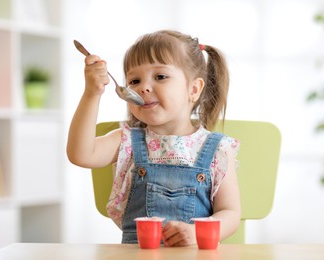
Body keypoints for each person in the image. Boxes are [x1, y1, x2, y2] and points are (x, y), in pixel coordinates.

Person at [67, 30, 241, 247]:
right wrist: (92, 93)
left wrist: (198, 233)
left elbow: (230, 213)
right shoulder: (127, 140)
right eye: (134, 80)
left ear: (193, 89)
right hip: (137, 262)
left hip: (194, 261)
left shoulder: (217, 148)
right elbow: (80, 154)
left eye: (160, 77)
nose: (143, 87)